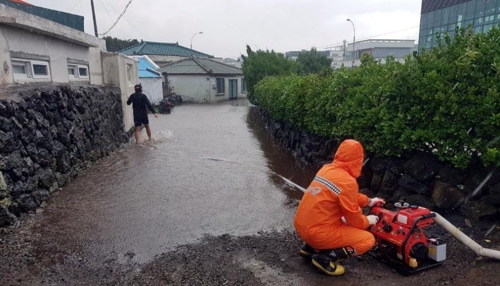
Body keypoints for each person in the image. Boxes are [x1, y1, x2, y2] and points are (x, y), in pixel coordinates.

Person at [293, 139, 385, 276]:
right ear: (358, 160)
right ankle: (325, 257)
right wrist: (368, 220)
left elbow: (346, 194)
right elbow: (354, 219)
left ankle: (309, 248)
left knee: (329, 215)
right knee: (367, 240)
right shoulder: (348, 181)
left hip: (301, 225)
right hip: (317, 233)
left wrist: (369, 201)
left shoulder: (327, 169)